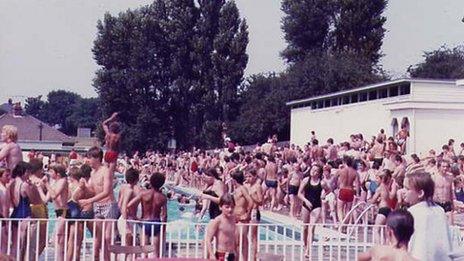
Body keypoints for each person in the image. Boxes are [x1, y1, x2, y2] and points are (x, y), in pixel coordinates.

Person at [79, 147, 119, 261]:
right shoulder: (92, 173)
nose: (87, 160)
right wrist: (84, 187)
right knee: (98, 237)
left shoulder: (105, 171)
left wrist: (88, 201)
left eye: (89, 157)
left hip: (109, 205)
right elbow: (93, 191)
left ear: (97, 158)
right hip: (98, 206)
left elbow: (106, 192)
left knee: (108, 237)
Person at [405, 171, 452, 261]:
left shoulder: (411, 212)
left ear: (420, 193)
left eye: (408, 189)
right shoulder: (440, 211)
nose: (404, 192)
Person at [128, 172, 167, 257]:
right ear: (161, 184)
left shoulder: (143, 193)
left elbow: (129, 205)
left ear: (151, 181)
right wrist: (163, 229)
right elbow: (164, 215)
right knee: (156, 252)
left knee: (144, 251)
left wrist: (135, 218)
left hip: (145, 222)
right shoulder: (163, 197)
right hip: (156, 223)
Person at [37, 164, 69, 261]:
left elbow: (54, 195)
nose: (49, 173)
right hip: (57, 212)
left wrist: (47, 184)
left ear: (58, 173)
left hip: (64, 212)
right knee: (58, 240)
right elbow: (45, 199)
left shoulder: (63, 181)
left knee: (59, 239)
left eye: (51, 171)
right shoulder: (54, 182)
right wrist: (39, 188)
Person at [298, 164, 329, 257]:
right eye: (312, 169)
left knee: (311, 228)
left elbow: (329, 189)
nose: (313, 171)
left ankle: (308, 250)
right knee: (305, 227)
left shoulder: (322, 183)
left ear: (319, 173)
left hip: (316, 206)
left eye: (315, 171)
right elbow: (299, 193)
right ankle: (305, 245)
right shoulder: (305, 180)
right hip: (306, 205)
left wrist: (324, 194)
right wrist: (305, 201)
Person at [206, 193, 237, 261]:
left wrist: (236, 252)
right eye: (227, 207)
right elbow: (208, 240)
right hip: (221, 254)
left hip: (231, 254)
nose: (230, 209)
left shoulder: (233, 219)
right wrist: (211, 255)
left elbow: (232, 237)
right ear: (220, 207)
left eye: (232, 207)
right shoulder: (217, 221)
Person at [369, 169, 397, 243]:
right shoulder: (387, 188)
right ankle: (386, 248)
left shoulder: (380, 188)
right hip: (389, 210)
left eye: (377, 178)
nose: (376, 180)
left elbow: (373, 201)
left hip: (383, 210)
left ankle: (379, 246)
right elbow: (391, 197)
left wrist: (371, 201)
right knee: (385, 232)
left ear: (382, 179)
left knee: (376, 230)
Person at [230, 170, 253, 261]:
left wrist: (247, 214)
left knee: (242, 242)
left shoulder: (242, 188)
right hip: (235, 218)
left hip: (242, 218)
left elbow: (250, 201)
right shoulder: (235, 190)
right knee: (235, 243)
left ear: (234, 180)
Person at [244, 168, 263, 261]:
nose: (248, 178)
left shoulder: (257, 187)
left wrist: (252, 196)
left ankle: (254, 257)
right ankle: (246, 256)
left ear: (255, 176)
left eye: (250, 176)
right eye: (247, 176)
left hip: (254, 212)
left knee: (253, 237)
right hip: (247, 211)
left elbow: (261, 201)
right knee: (245, 234)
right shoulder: (246, 186)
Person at [117, 167, 139, 245]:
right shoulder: (130, 191)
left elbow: (119, 204)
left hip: (124, 218)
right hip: (127, 220)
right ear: (137, 179)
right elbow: (123, 206)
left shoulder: (122, 188)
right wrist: (127, 224)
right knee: (128, 247)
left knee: (128, 247)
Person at [337, 156, 360, 224]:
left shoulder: (341, 170)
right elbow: (357, 184)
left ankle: (342, 223)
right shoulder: (355, 172)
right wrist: (358, 194)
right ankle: (345, 224)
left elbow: (334, 179)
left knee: (340, 209)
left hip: (342, 189)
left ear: (345, 162)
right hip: (350, 191)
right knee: (348, 209)